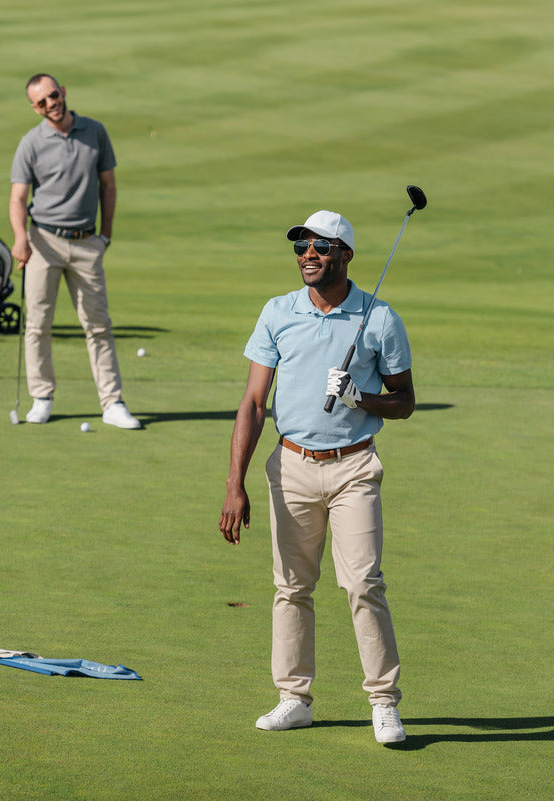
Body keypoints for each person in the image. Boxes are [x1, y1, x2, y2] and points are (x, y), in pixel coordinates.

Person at [218, 209, 415, 744]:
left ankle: (382, 702)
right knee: (290, 587)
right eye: (302, 246)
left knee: (364, 584)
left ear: (345, 255)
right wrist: (234, 483)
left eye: (321, 247)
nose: (309, 254)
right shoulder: (278, 312)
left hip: (353, 467)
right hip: (290, 466)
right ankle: (294, 698)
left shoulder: (377, 318)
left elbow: (405, 401)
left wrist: (360, 397)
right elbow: (255, 402)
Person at [8, 73, 141, 429]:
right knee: (37, 324)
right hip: (43, 243)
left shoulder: (94, 132)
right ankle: (42, 397)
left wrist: (106, 235)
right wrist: (20, 238)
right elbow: (18, 198)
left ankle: (112, 403)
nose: (51, 103)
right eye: (41, 101)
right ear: (34, 108)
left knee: (98, 325)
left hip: (87, 242)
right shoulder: (31, 143)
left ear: (63, 93)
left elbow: (108, 185)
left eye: (53, 95)